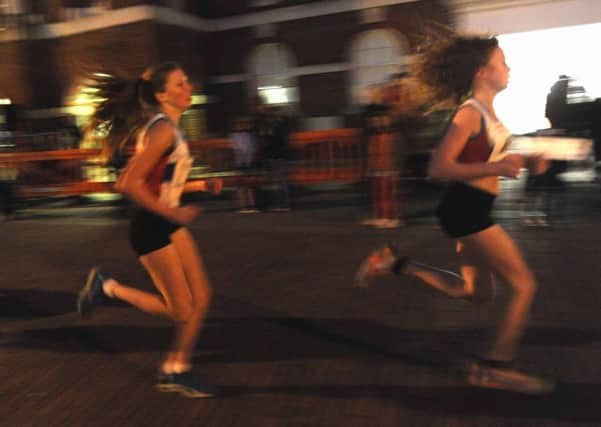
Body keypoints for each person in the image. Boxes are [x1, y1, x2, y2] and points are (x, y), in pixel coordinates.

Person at [355, 33, 554, 394]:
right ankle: (498, 365)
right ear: (482, 72)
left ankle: (394, 263)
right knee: (525, 284)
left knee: (474, 292)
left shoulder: (488, 113)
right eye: (502, 62)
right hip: (466, 209)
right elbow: (438, 167)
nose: (509, 67)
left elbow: (491, 160)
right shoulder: (469, 114)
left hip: (470, 208)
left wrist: (528, 162)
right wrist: (498, 170)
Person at [76, 62, 222, 398]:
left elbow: (164, 185)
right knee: (181, 309)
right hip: (151, 228)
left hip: (165, 221)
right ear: (161, 94)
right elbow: (127, 183)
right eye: (180, 83)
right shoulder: (162, 130)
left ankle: (176, 368)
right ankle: (108, 288)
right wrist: (175, 213)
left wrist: (200, 185)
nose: (188, 87)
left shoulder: (172, 128)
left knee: (202, 297)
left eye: (187, 81)